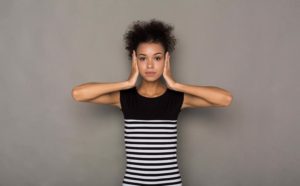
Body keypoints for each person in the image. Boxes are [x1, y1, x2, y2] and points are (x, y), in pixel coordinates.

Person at [72, 19, 233, 186]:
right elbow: (78, 94)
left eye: (157, 58)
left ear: (166, 60)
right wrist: (126, 84)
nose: (150, 65)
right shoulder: (125, 98)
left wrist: (176, 85)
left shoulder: (177, 98)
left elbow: (225, 99)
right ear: (134, 61)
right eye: (143, 58)